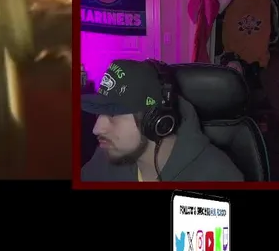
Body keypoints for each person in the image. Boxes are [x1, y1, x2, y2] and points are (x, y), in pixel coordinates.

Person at [80, 59, 245, 182]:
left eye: (113, 114)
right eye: (99, 113)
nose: (97, 129)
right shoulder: (105, 156)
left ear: (156, 120)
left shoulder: (220, 176)